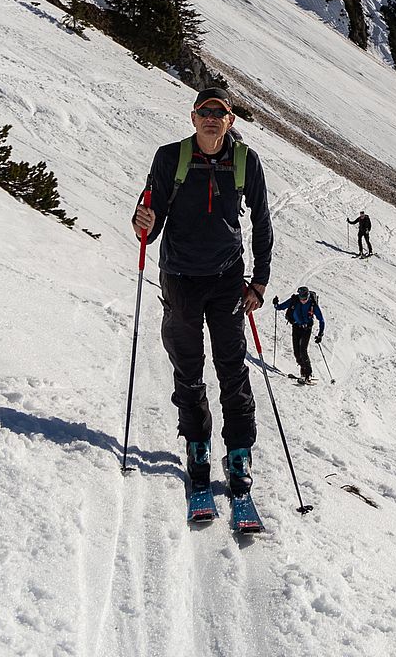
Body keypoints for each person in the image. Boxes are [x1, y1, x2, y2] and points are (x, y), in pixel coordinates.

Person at [132, 87, 273, 499]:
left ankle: (239, 452)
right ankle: (198, 446)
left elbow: (262, 222)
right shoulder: (169, 158)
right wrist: (143, 221)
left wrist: (259, 282)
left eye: (220, 112)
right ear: (193, 118)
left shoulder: (245, 162)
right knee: (189, 370)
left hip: (227, 278)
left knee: (233, 369)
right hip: (179, 277)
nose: (212, 117)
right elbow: (150, 226)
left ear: (230, 121)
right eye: (204, 111)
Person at [274, 286, 325, 384]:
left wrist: (320, 334)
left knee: (303, 350)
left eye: (305, 299)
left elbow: (321, 320)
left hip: (307, 329)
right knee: (296, 352)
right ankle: (303, 372)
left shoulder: (312, 304)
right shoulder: (294, 300)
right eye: (301, 298)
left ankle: (308, 374)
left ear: (308, 296)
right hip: (296, 327)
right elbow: (280, 307)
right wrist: (276, 304)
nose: (303, 301)